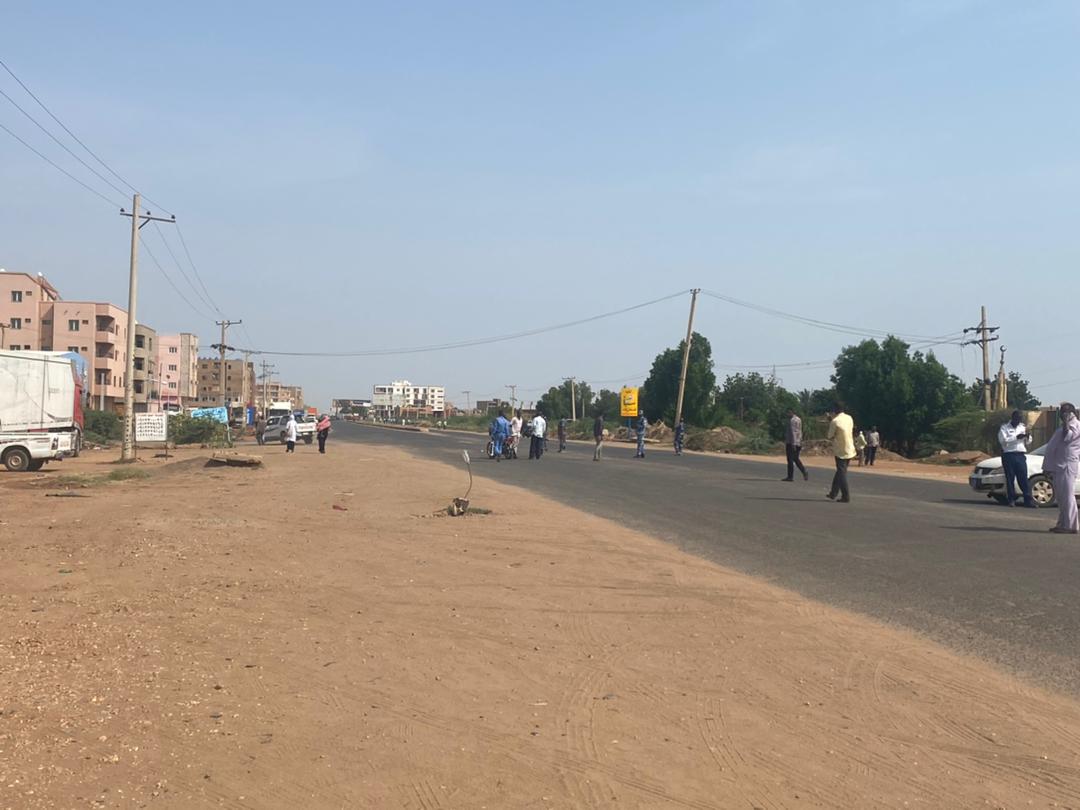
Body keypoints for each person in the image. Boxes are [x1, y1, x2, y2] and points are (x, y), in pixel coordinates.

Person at [1042, 402, 1080, 534]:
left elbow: (1068, 437)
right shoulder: (1064, 426)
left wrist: (1066, 422)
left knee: (1067, 496)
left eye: (1065, 411)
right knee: (1061, 497)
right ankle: (1062, 523)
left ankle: (1070, 526)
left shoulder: (1075, 425)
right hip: (1059, 465)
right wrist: (1048, 467)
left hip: (1067, 465)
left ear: (1071, 413)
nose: (1062, 414)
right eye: (1062, 411)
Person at [998, 410, 1035, 508]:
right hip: (1009, 455)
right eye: (1017, 418)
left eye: (1020, 419)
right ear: (1013, 418)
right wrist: (1016, 437)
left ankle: (1028, 500)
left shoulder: (1022, 427)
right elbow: (1003, 441)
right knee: (1010, 478)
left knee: (1023, 478)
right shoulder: (1004, 428)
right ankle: (1011, 499)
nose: (1018, 421)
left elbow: (1028, 442)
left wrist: (1027, 436)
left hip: (1020, 455)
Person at [825, 403, 856, 503]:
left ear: (835, 410)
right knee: (841, 471)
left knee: (841, 473)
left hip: (840, 450)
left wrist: (830, 421)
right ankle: (833, 493)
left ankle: (846, 496)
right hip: (850, 448)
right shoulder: (849, 418)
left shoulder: (835, 421)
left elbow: (830, 436)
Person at [782, 409, 808, 482]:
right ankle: (804, 471)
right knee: (795, 458)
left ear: (791, 412)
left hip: (791, 442)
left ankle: (790, 476)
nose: (787, 414)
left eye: (788, 413)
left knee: (790, 460)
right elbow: (799, 431)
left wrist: (793, 443)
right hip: (798, 442)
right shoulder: (799, 419)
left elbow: (793, 432)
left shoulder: (792, 420)